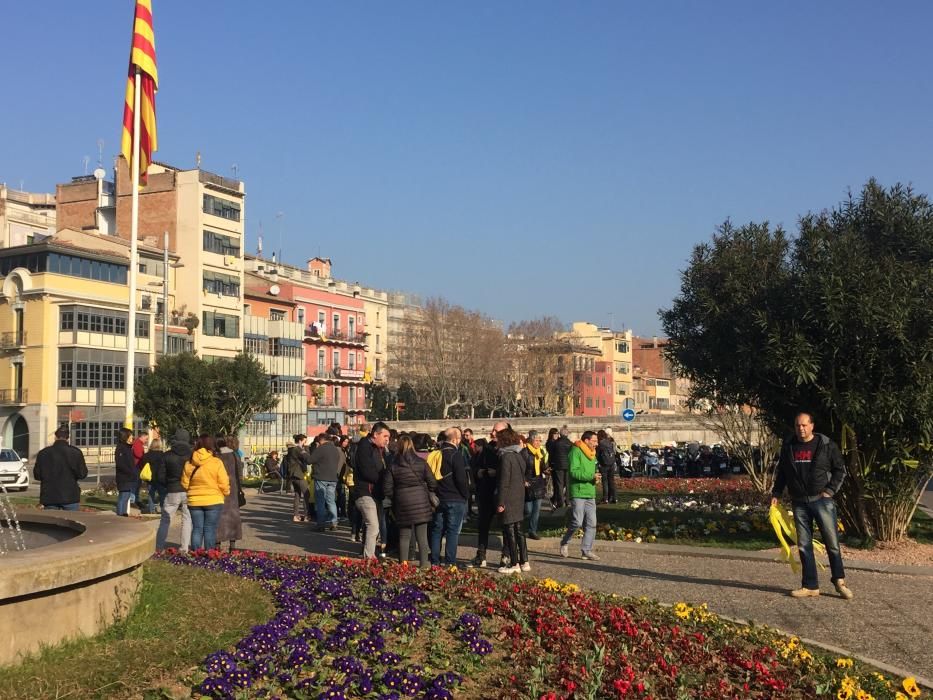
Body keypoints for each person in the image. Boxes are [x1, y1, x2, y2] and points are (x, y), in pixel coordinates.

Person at [771, 412, 852, 600]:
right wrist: (776, 493)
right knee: (804, 545)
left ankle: (839, 581)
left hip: (822, 501)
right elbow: (783, 472)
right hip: (799, 502)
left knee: (832, 544)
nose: (801, 429)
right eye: (798, 425)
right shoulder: (789, 446)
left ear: (812, 426)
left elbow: (840, 470)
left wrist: (830, 491)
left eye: (805, 425)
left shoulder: (825, 445)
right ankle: (810, 585)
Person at [383, 435, 437, 569]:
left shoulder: (394, 465)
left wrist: (394, 497)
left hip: (402, 502)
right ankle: (424, 564)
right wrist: (428, 491)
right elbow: (432, 482)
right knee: (422, 536)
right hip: (421, 501)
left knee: (404, 535)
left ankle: (403, 564)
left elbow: (387, 487)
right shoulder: (421, 462)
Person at [470, 420, 509, 568]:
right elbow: (475, 467)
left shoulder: (510, 450)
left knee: (506, 526)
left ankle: (506, 555)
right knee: (483, 525)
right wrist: (480, 472)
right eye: (493, 430)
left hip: (502, 493)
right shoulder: (487, 449)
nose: (492, 433)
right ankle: (481, 555)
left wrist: (497, 473)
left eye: (496, 431)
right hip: (486, 493)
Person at [430, 427, 471, 566]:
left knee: (437, 529)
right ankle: (450, 561)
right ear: (455, 439)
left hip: (440, 496)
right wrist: (466, 494)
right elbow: (461, 478)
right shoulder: (455, 454)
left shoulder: (437, 453)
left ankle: (435, 560)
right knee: (452, 531)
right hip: (455, 496)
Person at [182, 435, 230, 551]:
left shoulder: (189, 463)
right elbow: (223, 481)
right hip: (213, 500)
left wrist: (193, 490)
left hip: (194, 501)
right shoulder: (216, 462)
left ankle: (196, 553)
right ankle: (209, 553)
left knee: (197, 528)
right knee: (210, 528)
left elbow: (184, 483)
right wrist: (226, 492)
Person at [559, 430, 600, 561]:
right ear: (586, 441)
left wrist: (596, 476)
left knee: (592, 523)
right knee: (577, 521)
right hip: (578, 491)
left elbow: (594, 468)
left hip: (590, 491)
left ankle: (586, 550)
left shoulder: (592, 454)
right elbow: (573, 472)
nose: (596, 444)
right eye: (594, 441)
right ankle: (565, 542)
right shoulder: (575, 451)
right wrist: (590, 476)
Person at [352, 421, 390, 559]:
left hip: (376, 492)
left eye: (389, 437)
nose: (387, 440)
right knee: (373, 525)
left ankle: (369, 551)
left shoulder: (380, 449)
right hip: (365, 491)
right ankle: (369, 556)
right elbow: (368, 471)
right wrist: (385, 480)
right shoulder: (364, 447)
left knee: (375, 526)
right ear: (375, 434)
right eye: (385, 436)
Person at [495, 428, 530, 574]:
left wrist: (500, 502)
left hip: (509, 496)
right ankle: (524, 560)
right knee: (519, 530)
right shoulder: (518, 455)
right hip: (519, 495)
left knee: (510, 530)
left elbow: (504, 481)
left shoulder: (506, 457)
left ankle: (514, 563)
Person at [33, 425, 87, 511]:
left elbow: (37, 475)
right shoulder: (76, 452)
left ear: (55, 437)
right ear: (68, 438)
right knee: (71, 522)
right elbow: (82, 474)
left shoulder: (43, 453)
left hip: (49, 495)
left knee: (52, 522)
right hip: (70, 495)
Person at [155, 428, 193, 552]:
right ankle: (184, 548)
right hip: (188, 490)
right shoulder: (192, 455)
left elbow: (160, 476)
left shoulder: (167, 455)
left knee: (165, 519)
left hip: (172, 489)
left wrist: (167, 484)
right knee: (187, 520)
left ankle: (159, 547)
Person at [310, 433, 345, 531]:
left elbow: (310, 460)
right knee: (331, 501)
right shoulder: (335, 449)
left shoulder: (321, 449)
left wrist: (311, 451)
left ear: (321, 440)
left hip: (321, 477)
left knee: (320, 502)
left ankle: (321, 524)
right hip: (333, 478)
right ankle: (334, 523)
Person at [215, 436, 243, 552]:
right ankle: (233, 544)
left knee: (219, 515)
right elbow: (239, 474)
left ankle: (217, 544)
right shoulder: (235, 455)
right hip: (233, 489)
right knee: (233, 515)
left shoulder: (216, 455)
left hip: (218, 489)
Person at [521, 430, 548, 540]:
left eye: (539, 441)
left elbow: (543, 466)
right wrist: (523, 480)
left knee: (536, 509)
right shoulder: (524, 452)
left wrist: (546, 470)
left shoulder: (540, 451)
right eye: (536, 440)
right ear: (531, 440)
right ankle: (521, 527)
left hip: (538, 482)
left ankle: (532, 531)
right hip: (527, 482)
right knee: (528, 510)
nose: (538, 443)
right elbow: (521, 468)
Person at [286, 434, 314, 523]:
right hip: (298, 474)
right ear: (301, 440)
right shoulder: (298, 449)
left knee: (297, 495)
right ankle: (306, 515)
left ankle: (296, 515)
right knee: (307, 493)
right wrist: (306, 450)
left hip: (293, 475)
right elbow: (307, 458)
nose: (306, 443)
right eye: (305, 441)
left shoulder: (292, 449)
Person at [547, 426, 573, 508]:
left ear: (560, 435)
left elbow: (551, 455)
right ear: (567, 434)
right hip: (568, 465)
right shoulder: (570, 443)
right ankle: (568, 501)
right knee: (567, 484)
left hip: (558, 466)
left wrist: (551, 464)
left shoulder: (556, 443)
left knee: (559, 484)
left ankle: (561, 502)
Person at [115, 427, 138, 516]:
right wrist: (130, 472)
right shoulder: (121, 448)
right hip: (124, 477)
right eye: (130, 435)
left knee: (126, 496)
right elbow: (121, 464)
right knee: (123, 496)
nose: (132, 437)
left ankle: (123, 513)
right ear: (125, 436)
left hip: (128, 477)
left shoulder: (127, 448)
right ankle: (120, 514)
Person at [141, 438, 167, 514]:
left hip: (150, 478)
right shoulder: (163, 455)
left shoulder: (147, 455)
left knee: (151, 494)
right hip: (160, 478)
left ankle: (151, 509)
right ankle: (162, 509)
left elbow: (143, 465)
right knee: (162, 494)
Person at [596, 429, 618, 504]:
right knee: (611, 481)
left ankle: (605, 498)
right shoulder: (609, 442)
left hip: (604, 464)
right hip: (611, 463)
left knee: (605, 481)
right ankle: (614, 498)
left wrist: (599, 462)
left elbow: (597, 455)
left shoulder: (600, 444)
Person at [131, 430, 148, 508]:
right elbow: (139, 455)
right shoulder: (137, 444)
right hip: (136, 467)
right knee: (135, 484)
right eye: (146, 438)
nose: (146, 440)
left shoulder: (139, 444)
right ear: (142, 437)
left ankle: (136, 500)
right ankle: (132, 500)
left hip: (138, 467)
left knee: (137, 485)